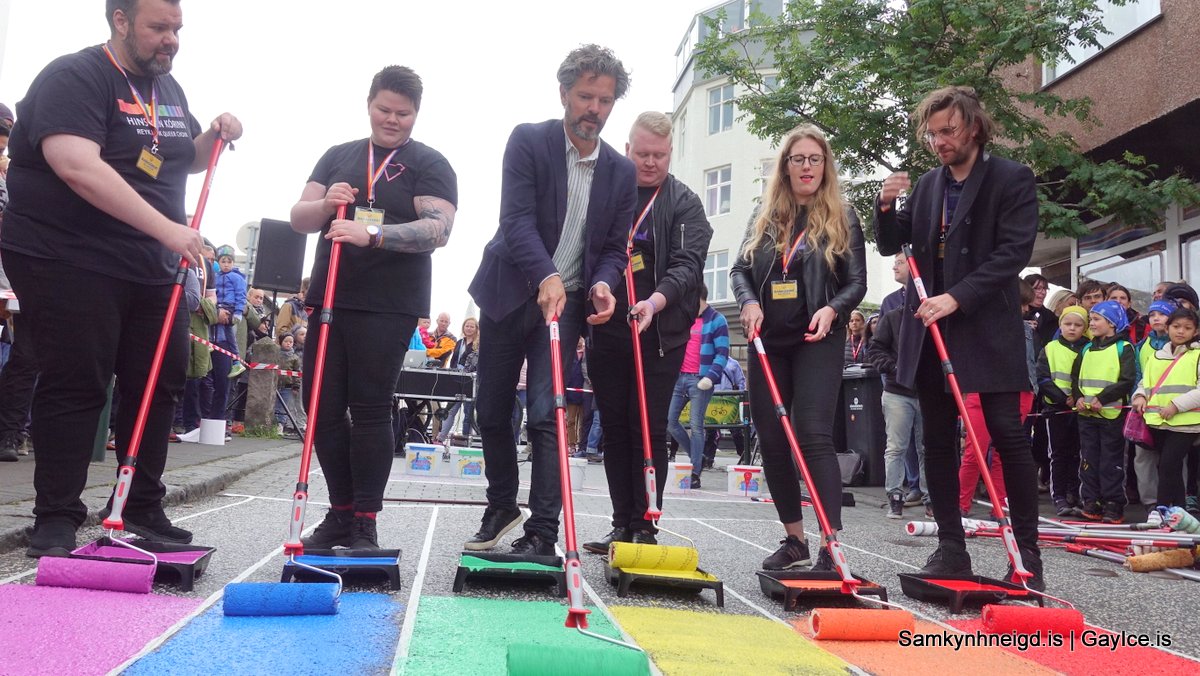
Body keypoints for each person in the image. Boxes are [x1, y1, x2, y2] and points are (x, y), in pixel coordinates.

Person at [0, 0, 242, 554]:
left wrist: (214, 136)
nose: (172, 40)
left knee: (161, 380)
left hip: (150, 261)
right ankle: (56, 515)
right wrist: (169, 229)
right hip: (68, 254)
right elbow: (77, 165)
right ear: (121, 21)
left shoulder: (167, 91)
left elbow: (174, 158)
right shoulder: (76, 75)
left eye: (177, 29)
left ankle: (139, 503)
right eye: (159, 27)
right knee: (78, 379)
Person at [466, 44, 636, 557]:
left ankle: (542, 532)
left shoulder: (621, 173)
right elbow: (514, 220)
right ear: (564, 93)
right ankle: (501, 504)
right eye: (586, 96)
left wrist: (604, 283)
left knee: (546, 412)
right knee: (491, 409)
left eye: (605, 101)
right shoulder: (529, 142)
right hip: (507, 295)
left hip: (564, 310)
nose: (595, 110)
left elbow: (612, 248)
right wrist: (546, 274)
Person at [874, 86, 1044, 587]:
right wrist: (885, 205)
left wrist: (959, 296)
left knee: (1007, 436)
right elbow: (893, 242)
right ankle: (951, 548)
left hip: (986, 324)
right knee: (937, 441)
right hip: (931, 328)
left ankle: (1028, 556)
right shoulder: (928, 184)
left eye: (947, 131)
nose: (939, 141)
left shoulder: (1011, 178)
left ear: (973, 127)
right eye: (932, 133)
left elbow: (1013, 253)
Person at [288, 65, 457, 550]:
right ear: (369, 104)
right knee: (318, 407)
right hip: (329, 298)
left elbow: (438, 231)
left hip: (389, 304)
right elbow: (299, 217)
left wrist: (375, 234)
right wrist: (325, 207)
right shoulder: (339, 156)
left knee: (369, 408)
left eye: (403, 114)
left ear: (416, 114)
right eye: (384, 109)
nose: (393, 120)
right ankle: (340, 511)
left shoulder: (429, 163)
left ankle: (365, 519)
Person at [733, 124, 867, 570]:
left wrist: (833, 310)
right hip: (767, 343)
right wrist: (749, 301)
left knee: (811, 434)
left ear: (824, 166)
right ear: (785, 167)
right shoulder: (765, 214)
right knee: (771, 439)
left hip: (817, 339)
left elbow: (856, 282)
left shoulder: (843, 216)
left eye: (814, 159)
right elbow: (739, 271)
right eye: (798, 159)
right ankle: (795, 540)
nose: (806, 167)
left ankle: (832, 545)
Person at [581, 111, 711, 553]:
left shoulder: (685, 203)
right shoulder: (607, 193)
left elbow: (687, 265)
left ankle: (646, 523)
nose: (650, 163)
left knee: (648, 426)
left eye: (659, 155)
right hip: (607, 327)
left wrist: (655, 303)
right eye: (642, 154)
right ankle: (621, 523)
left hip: (659, 332)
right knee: (614, 425)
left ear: (670, 153)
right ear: (627, 149)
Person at [957, 278, 1037, 517]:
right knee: (975, 451)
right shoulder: (979, 324)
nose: (1026, 310)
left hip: (1020, 390)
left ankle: (1000, 503)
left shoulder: (1027, 329)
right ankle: (960, 505)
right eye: (1023, 304)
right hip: (982, 390)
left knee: (1006, 451)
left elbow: (1031, 363)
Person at [1071, 300, 1136, 523]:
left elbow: (1126, 381)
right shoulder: (1087, 348)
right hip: (1087, 415)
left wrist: (1103, 398)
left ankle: (1114, 503)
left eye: (1096, 319)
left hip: (1111, 415)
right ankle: (1092, 500)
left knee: (1112, 460)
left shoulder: (1124, 348)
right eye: (1091, 319)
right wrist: (1079, 397)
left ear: (1111, 322)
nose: (1092, 324)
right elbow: (1075, 377)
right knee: (1088, 458)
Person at [1133, 306, 1200, 513]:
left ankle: (1160, 510)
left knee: (1168, 465)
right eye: (1176, 326)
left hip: (1187, 422)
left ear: (1195, 331)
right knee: (1173, 467)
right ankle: (1179, 512)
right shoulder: (1157, 355)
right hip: (1157, 421)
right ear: (1168, 327)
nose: (1181, 331)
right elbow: (1146, 381)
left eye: (1187, 328)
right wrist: (1139, 396)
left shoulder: (1196, 355)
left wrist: (1176, 405)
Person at [869, 305, 929, 520]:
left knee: (927, 448)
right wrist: (894, 368)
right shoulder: (893, 317)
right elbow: (875, 349)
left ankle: (930, 498)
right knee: (896, 448)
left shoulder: (934, 315)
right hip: (898, 391)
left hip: (928, 392)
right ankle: (895, 496)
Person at [665, 286, 730, 488]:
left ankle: (695, 472)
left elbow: (722, 353)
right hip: (680, 377)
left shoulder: (717, 320)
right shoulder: (686, 318)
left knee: (696, 426)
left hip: (700, 379)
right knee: (670, 422)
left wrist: (711, 376)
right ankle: (698, 455)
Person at [1036, 305, 1089, 517]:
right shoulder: (1050, 348)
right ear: (1061, 325)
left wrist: (1077, 399)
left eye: (1078, 325)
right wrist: (1063, 399)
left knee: (1079, 453)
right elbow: (1044, 378)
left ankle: (1074, 492)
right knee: (1058, 454)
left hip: (1083, 409)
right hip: (1057, 409)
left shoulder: (1089, 348)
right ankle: (1058, 495)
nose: (1072, 328)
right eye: (1068, 324)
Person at [1131, 300, 1177, 507]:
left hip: (1175, 411)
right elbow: (1138, 376)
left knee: (1175, 460)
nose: (1156, 318)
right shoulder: (1141, 346)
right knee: (1143, 458)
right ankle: (1150, 501)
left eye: (1162, 314)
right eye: (1152, 314)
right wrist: (1138, 397)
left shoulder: (1183, 348)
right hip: (1146, 411)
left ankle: (1175, 501)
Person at [206, 245, 246, 425]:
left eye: (229, 261)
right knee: (206, 382)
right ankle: (204, 421)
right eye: (223, 261)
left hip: (227, 318)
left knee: (230, 336)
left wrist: (237, 311)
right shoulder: (215, 277)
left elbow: (241, 296)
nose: (226, 264)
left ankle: (236, 360)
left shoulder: (237, 278)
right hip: (211, 329)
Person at [437, 317, 480, 443]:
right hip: (456, 379)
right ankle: (441, 437)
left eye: (472, 326)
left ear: (476, 328)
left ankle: (466, 439)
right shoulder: (460, 342)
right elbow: (454, 360)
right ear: (463, 327)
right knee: (450, 410)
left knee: (468, 413)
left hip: (470, 381)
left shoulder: (479, 344)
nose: (469, 328)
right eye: (467, 326)